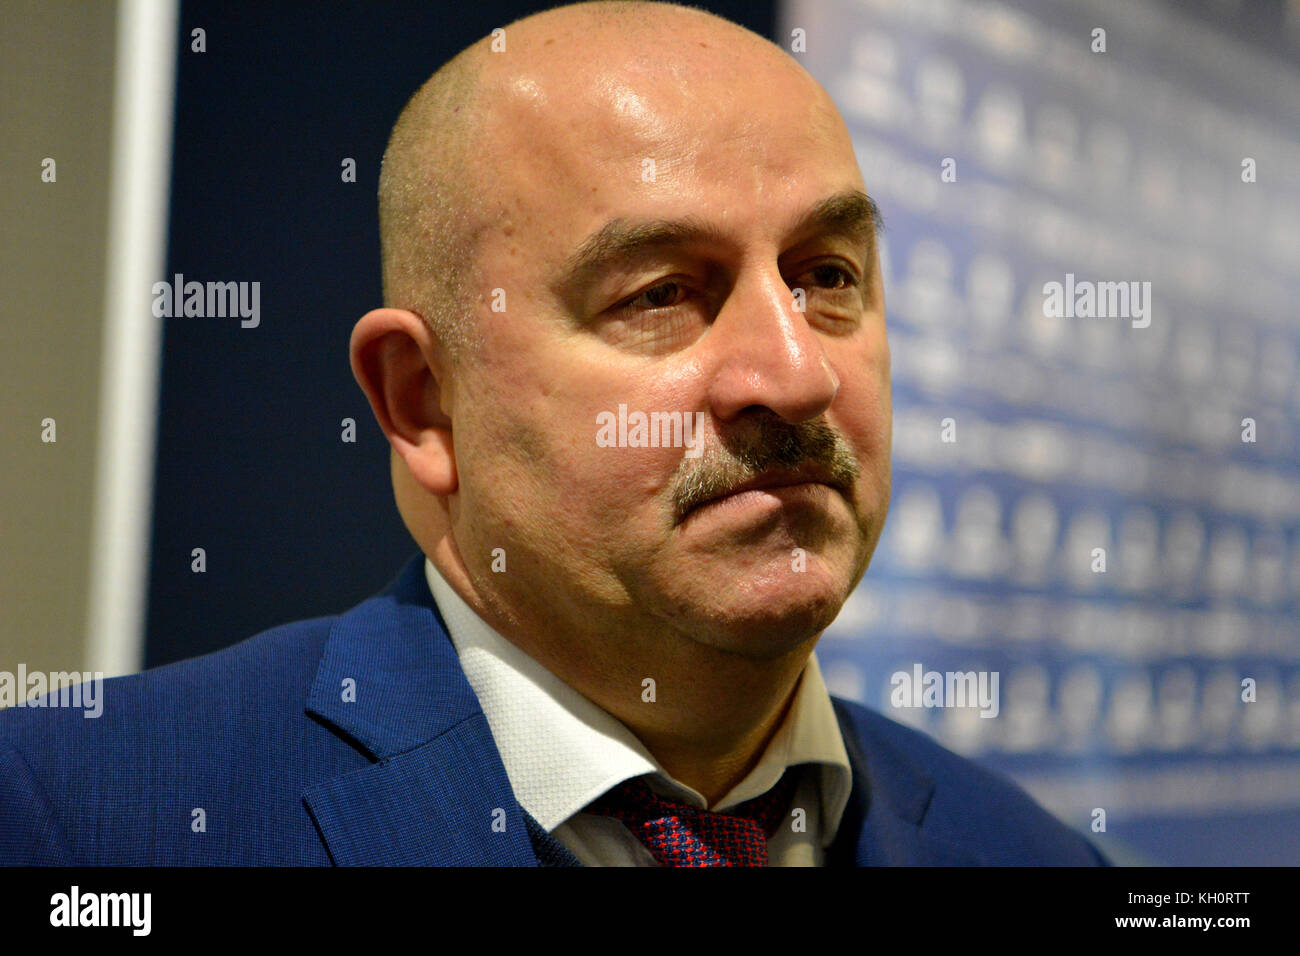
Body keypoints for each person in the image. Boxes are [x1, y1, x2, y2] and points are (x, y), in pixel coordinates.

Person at [0, 0, 1107, 867]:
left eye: (826, 276)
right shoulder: (82, 816)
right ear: (422, 401)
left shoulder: (1029, 850)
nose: (796, 372)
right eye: (664, 292)